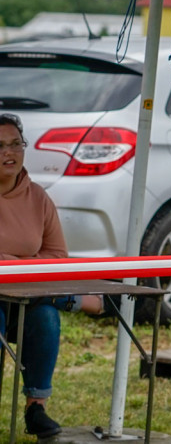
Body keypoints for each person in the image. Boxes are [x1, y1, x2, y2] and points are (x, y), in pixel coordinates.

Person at [0, 113, 105, 439]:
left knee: (45, 317)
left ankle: (36, 408)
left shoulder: (39, 199)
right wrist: (26, 261)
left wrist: (12, 262)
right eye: (0, 146)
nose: (10, 153)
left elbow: (57, 258)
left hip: (24, 295)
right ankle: (74, 300)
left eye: (16, 144)